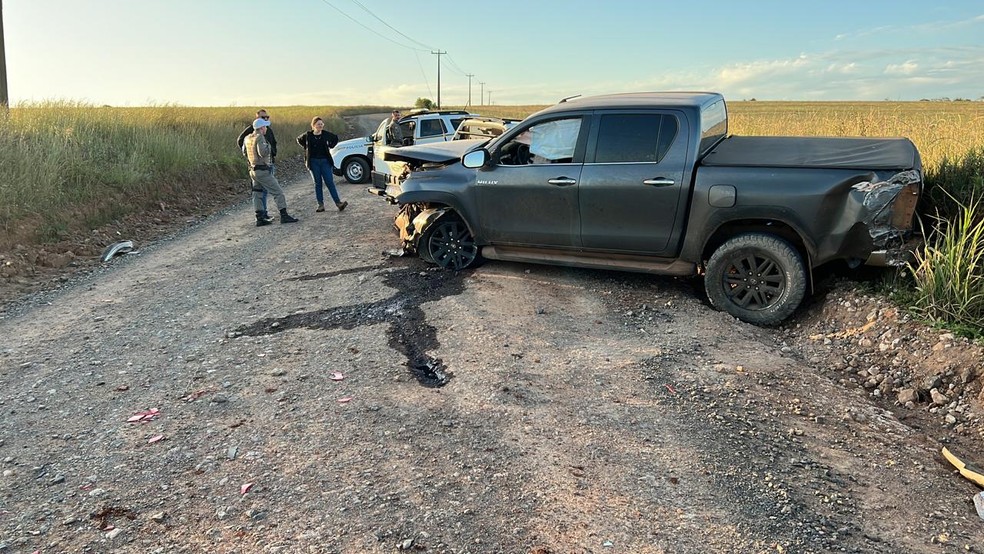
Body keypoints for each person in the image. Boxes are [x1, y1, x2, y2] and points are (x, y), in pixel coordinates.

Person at [244, 117, 299, 226]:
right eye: (265, 126)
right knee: (278, 192)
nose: (266, 128)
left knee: (257, 193)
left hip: (253, 170)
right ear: (261, 128)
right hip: (262, 170)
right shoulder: (260, 138)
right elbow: (263, 153)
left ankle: (259, 217)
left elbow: (245, 152)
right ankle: (284, 215)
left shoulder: (248, 138)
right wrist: (268, 146)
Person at [296, 116, 347, 212]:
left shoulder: (325, 134)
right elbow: (299, 139)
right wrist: (306, 147)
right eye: (318, 124)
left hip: (325, 161)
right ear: (313, 125)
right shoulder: (308, 135)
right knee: (317, 183)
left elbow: (335, 138)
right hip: (313, 162)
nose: (320, 126)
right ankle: (320, 205)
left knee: (330, 182)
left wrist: (331, 145)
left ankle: (338, 203)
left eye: (321, 124)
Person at [237, 109, 278, 213]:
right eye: (263, 117)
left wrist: (273, 153)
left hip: (269, 163)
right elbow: (240, 141)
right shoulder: (251, 131)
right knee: (262, 191)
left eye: (267, 117)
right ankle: (263, 214)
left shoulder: (268, 129)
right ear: (257, 118)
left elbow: (273, 143)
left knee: (262, 191)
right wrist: (249, 155)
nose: (265, 119)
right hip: (258, 166)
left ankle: (263, 214)